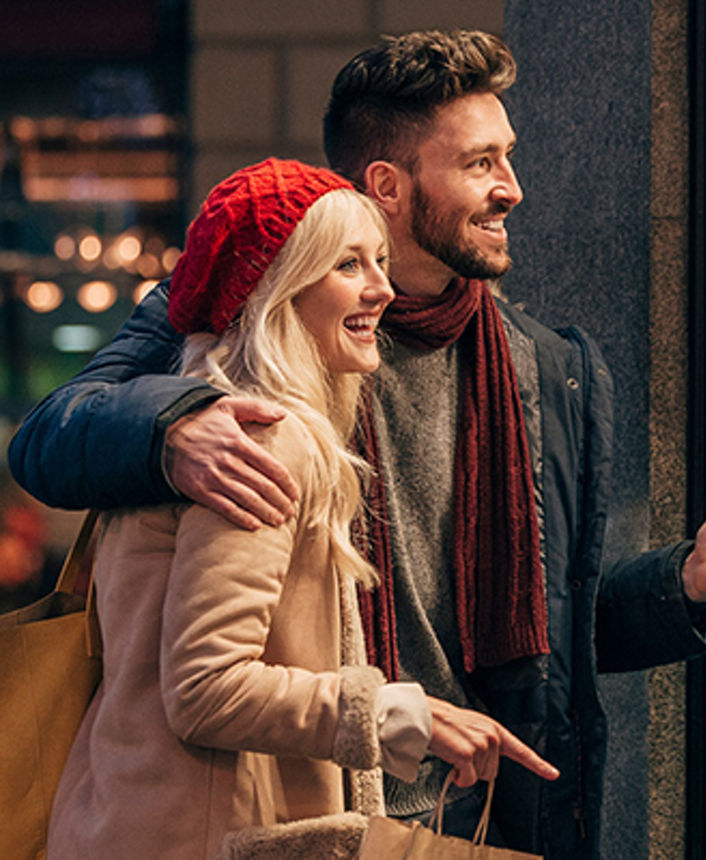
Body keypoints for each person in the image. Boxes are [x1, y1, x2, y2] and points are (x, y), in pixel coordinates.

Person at [9, 31, 706, 857]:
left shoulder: (547, 369)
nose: (511, 188)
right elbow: (50, 436)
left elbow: (552, 640)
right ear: (388, 184)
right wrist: (176, 425)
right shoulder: (242, 325)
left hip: (469, 816)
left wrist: (686, 581)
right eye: (480, 163)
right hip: (298, 810)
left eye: (507, 157)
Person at [44, 158, 556, 860]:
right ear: (277, 289)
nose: (381, 287)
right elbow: (206, 688)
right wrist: (401, 712)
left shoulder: (194, 418)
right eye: (349, 265)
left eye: (378, 260)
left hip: (132, 817)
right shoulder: (262, 436)